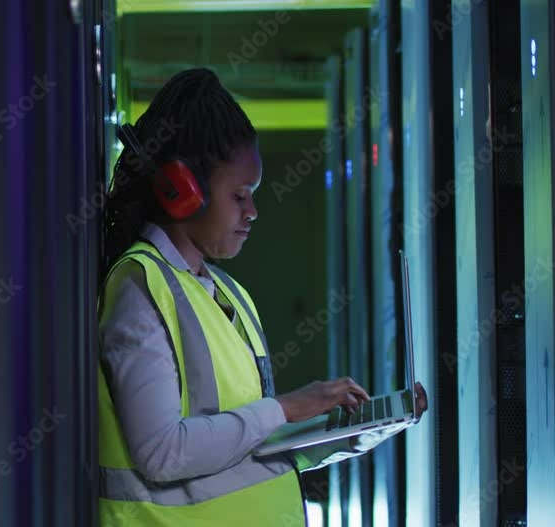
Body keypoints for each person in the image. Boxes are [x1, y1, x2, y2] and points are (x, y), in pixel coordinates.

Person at [97, 68, 428, 526]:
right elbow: (162, 452)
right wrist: (288, 407)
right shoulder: (139, 288)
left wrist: (358, 432)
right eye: (239, 196)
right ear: (182, 191)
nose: (252, 211)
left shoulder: (229, 296)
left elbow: (252, 449)